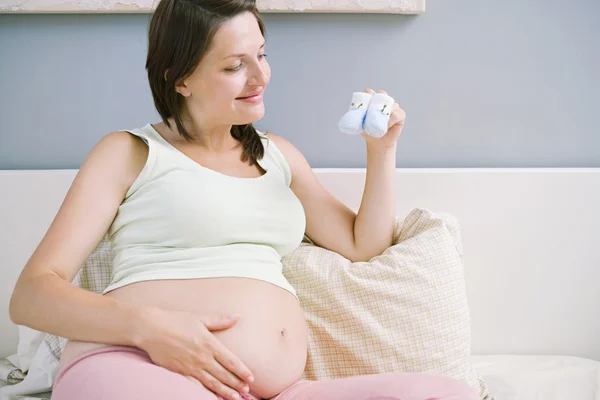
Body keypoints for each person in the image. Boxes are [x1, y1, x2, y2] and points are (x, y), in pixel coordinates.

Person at [8, 0, 478, 399]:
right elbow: (31, 296)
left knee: (447, 394)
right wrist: (148, 328)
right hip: (139, 365)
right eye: (234, 66)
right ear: (180, 78)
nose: (260, 77)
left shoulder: (278, 157)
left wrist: (382, 151)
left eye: (261, 55)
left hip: (259, 387)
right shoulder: (129, 153)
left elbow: (363, 246)